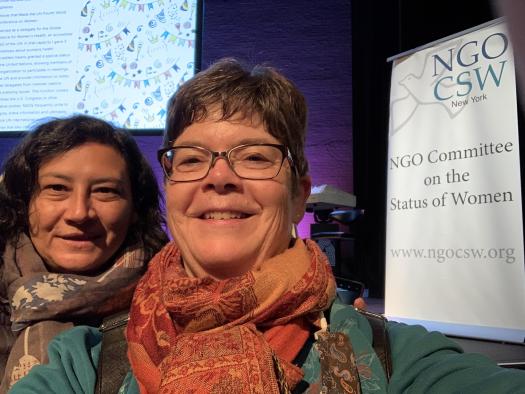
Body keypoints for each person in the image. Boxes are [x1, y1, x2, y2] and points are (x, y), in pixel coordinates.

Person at [10, 59, 525, 393]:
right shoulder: (84, 364)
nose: (219, 178)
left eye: (255, 156)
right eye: (192, 159)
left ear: (301, 192)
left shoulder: (392, 358)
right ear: (170, 187)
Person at [0, 115, 168, 391]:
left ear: (135, 210)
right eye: (57, 188)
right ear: (23, 201)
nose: (79, 213)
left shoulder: (167, 310)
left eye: (105, 191)